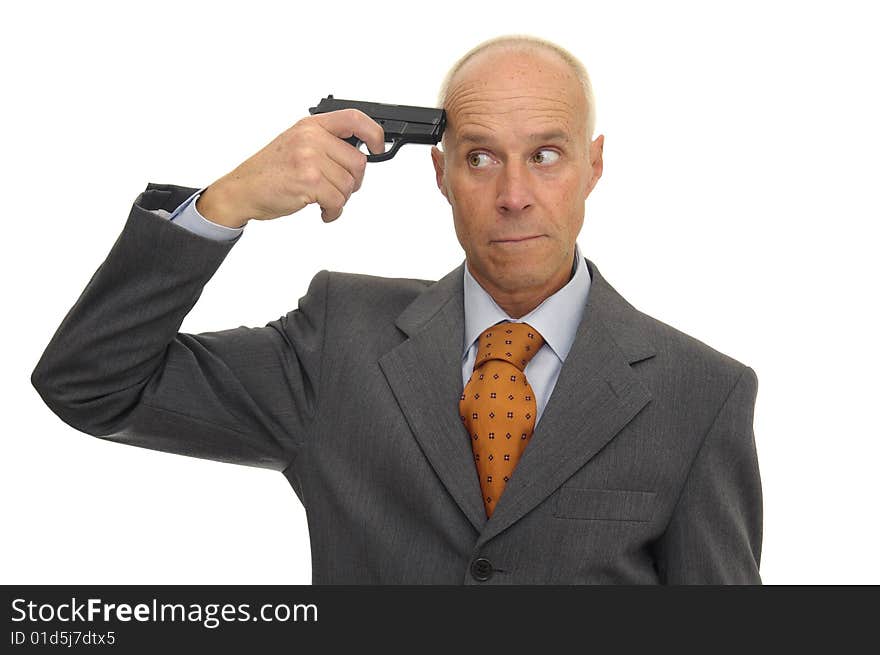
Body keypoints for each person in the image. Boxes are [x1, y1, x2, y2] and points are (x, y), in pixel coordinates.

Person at [30, 34, 763, 584]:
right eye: (479, 157)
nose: (513, 195)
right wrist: (226, 205)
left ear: (593, 166)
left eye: (545, 155)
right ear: (439, 172)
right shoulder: (337, 341)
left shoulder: (700, 394)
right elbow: (91, 384)